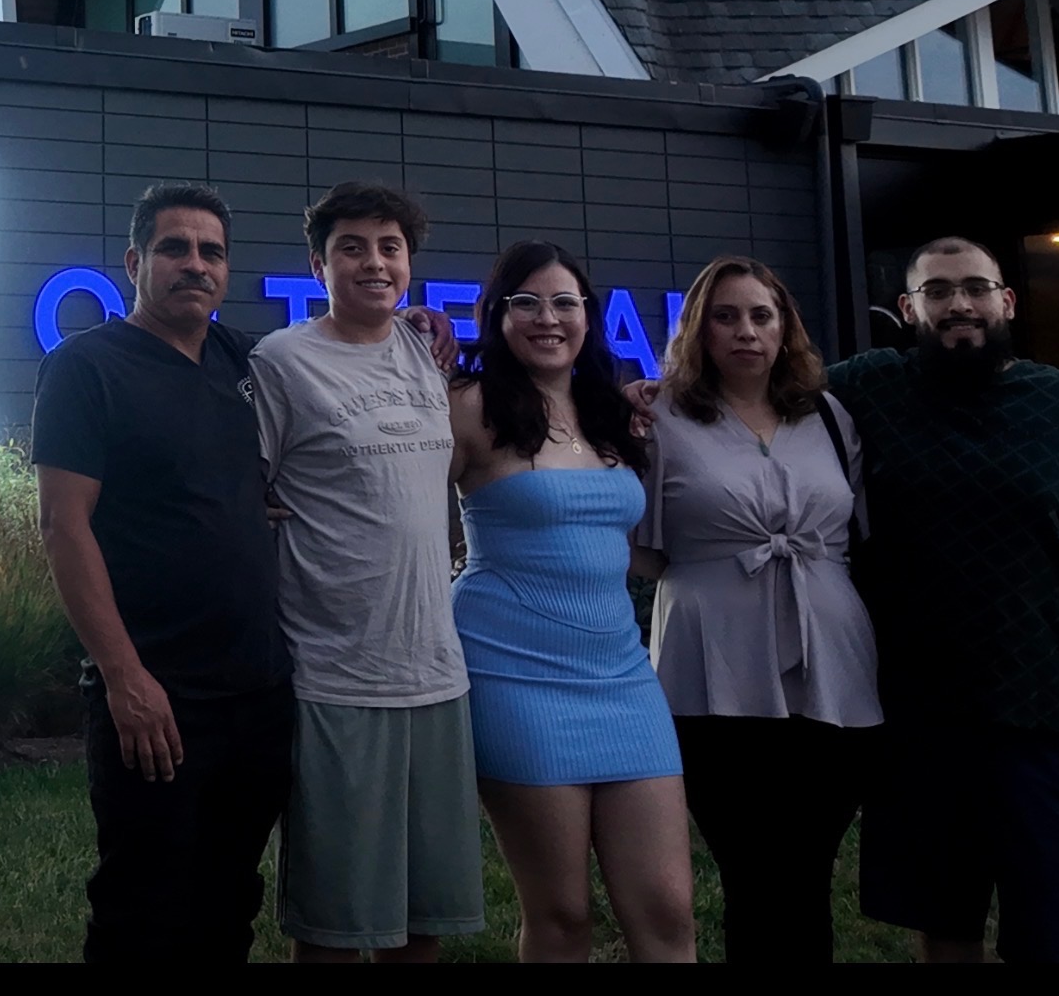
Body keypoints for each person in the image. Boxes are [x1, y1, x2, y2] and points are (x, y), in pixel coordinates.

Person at [828, 234, 1059, 966]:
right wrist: (646, 399)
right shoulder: (868, 389)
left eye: (975, 287)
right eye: (937, 291)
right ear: (908, 309)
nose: (958, 303)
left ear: (1008, 301)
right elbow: (759, 388)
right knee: (945, 926)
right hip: (920, 719)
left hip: (1055, 717)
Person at [31, 182, 294, 966]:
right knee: (141, 911)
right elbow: (63, 525)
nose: (195, 264)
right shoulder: (87, 367)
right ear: (134, 260)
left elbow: (342, 360)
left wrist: (421, 326)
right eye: (175, 247)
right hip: (156, 692)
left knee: (229, 903)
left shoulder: (245, 362)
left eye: (212, 251)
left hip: (259, 690)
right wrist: (125, 678)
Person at [249, 181, 484, 965]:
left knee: (423, 921)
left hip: (436, 673)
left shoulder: (425, 348)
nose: (374, 262)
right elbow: (238, 486)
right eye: (351, 247)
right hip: (337, 678)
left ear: (410, 263)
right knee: (337, 926)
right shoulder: (283, 361)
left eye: (390, 247)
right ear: (319, 265)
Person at [630, 254, 882, 967]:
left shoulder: (828, 415)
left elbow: (859, 526)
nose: (746, 330)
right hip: (714, 663)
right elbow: (638, 546)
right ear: (699, 330)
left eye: (761, 315)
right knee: (752, 867)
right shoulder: (659, 416)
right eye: (726, 316)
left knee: (807, 868)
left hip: (831, 666)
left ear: (784, 328)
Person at [448, 240, 696, 965]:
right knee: (561, 915)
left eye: (564, 302)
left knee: (668, 908)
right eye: (526, 302)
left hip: (622, 677)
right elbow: (393, 504)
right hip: (514, 674)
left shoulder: (612, 410)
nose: (547, 317)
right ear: (497, 316)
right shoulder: (469, 408)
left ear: (589, 315)